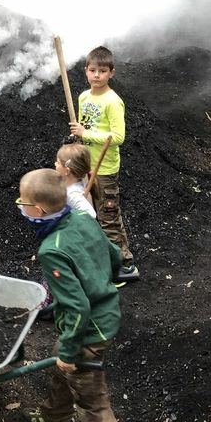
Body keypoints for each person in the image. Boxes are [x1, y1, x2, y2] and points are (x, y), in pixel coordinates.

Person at [16, 168, 154, 422]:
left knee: (95, 409)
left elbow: (76, 307)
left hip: (89, 330)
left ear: (41, 211)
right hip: (104, 314)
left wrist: (70, 351)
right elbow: (114, 255)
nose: (21, 207)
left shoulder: (52, 249)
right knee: (60, 364)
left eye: (24, 203)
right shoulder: (81, 217)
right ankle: (56, 418)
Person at [69, 46, 138, 281]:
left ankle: (121, 267)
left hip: (105, 168)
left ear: (112, 73)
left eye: (102, 71)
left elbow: (118, 137)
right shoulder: (83, 97)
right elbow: (82, 130)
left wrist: (85, 133)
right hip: (87, 165)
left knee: (108, 217)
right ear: (85, 71)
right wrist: (79, 138)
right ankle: (121, 258)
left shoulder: (113, 101)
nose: (96, 75)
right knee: (101, 215)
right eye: (92, 70)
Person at [54, 142, 97, 217]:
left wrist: (72, 223)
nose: (55, 164)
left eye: (58, 163)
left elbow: (91, 215)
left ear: (67, 171)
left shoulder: (72, 194)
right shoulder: (78, 179)